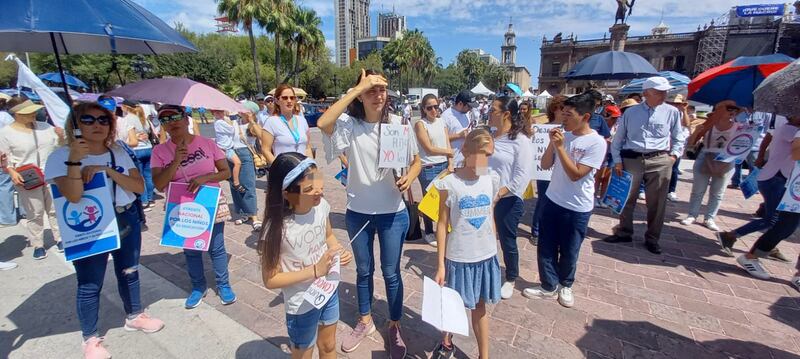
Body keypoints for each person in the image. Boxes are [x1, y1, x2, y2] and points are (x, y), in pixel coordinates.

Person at [45, 102, 164, 359]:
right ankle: (90, 338)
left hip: (125, 217)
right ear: (75, 125)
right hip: (90, 226)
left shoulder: (117, 150)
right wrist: (75, 161)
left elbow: (139, 186)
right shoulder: (59, 156)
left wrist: (107, 171)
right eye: (87, 120)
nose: (97, 125)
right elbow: (73, 196)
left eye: (103, 120)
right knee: (90, 282)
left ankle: (134, 315)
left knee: (129, 270)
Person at [317, 69, 420, 358]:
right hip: (358, 212)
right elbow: (324, 122)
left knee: (391, 273)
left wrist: (411, 176)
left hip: (392, 213)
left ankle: (394, 325)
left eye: (382, 89)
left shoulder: (398, 123)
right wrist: (357, 87)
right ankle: (365, 322)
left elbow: (416, 161)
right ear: (361, 94)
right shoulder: (349, 125)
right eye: (371, 89)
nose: (378, 95)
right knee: (364, 271)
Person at [258, 152, 353, 359]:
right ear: (286, 193)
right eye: (309, 189)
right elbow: (271, 279)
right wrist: (314, 270)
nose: (318, 192)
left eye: (319, 185)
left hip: (328, 290)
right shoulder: (276, 229)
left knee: (328, 345)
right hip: (301, 304)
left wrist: (339, 251)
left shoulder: (321, 208)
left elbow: (328, 235)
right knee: (303, 353)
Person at [523, 92, 606, 308]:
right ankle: (548, 285)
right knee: (546, 245)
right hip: (552, 199)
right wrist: (553, 144)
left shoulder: (596, 143)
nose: (564, 119)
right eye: (563, 114)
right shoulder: (563, 135)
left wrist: (560, 147)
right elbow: (545, 163)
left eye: (569, 115)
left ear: (585, 117)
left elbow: (577, 174)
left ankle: (566, 284)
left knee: (570, 249)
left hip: (577, 206)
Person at [151, 105, 238, 309]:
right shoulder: (159, 151)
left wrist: (204, 178)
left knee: (216, 248)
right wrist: (175, 161)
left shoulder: (207, 144)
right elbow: (158, 183)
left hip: (209, 200)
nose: (171, 123)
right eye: (164, 120)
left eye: (174, 117)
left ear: (185, 119)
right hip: (181, 205)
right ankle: (198, 287)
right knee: (190, 250)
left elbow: (225, 172)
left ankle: (223, 285)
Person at [431, 129, 501, 359]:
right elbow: (442, 224)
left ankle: (484, 355)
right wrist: (440, 264)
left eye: (488, 155)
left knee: (480, 308)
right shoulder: (448, 183)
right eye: (481, 154)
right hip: (459, 256)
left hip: (485, 255)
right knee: (453, 308)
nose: (484, 160)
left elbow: (490, 213)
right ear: (467, 151)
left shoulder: (491, 179)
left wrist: (495, 245)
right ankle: (446, 341)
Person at [605, 77, 685, 254]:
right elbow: (618, 139)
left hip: (660, 160)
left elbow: (679, 137)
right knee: (627, 198)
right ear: (646, 93)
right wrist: (617, 160)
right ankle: (624, 231)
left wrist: (673, 156)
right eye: (659, 92)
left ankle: (652, 238)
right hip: (633, 159)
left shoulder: (672, 112)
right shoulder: (631, 113)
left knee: (657, 203)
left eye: (664, 91)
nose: (664, 95)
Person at [717, 115, 800, 258]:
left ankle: (769, 244)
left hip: (774, 177)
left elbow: (768, 140)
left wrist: (761, 156)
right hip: (776, 178)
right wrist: (760, 156)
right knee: (773, 219)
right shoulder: (790, 130)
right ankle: (731, 236)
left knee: (777, 218)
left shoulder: (784, 128)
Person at [735, 123, 800, 281]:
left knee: (785, 224)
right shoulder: (792, 129)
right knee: (785, 225)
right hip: (791, 184)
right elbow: (796, 153)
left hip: (788, 181)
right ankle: (751, 256)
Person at [0, 97, 62, 259]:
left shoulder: (45, 127)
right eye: (29, 112)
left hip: (51, 174)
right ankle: (38, 244)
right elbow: (5, 159)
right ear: (17, 114)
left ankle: (60, 238)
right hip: (27, 177)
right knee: (35, 212)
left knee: (55, 209)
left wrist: (62, 136)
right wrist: (12, 172)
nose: (34, 114)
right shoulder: (6, 134)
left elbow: (60, 144)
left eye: (34, 111)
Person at [487, 96, 534, 299]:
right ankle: (488, 270)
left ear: (506, 114)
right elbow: (484, 164)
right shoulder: (490, 136)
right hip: (485, 196)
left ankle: (511, 277)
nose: (488, 114)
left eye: (493, 111)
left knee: (507, 240)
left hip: (508, 200)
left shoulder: (521, 141)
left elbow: (522, 177)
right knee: (485, 237)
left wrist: (499, 194)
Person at [679, 101, 740, 232]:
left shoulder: (738, 127)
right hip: (705, 156)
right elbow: (691, 143)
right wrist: (696, 132)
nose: (732, 111)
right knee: (698, 190)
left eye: (734, 109)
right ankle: (692, 215)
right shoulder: (708, 125)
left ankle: (710, 218)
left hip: (726, 160)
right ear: (719, 109)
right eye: (729, 108)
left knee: (718, 192)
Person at [414, 94, 454, 247]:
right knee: (430, 201)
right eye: (429, 107)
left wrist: (450, 162)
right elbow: (428, 149)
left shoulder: (441, 122)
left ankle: (443, 229)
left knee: (445, 201)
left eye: (435, 106)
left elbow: (447, 143)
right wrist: (447, 152)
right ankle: (429, 232)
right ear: (423, 109)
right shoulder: (420, 124)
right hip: (428, 167)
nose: (433, 110)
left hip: (444, 166)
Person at [212, 109, 261, 230]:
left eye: (247, 110)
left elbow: (261, 135)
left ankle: (254, 216)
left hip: (245, 152)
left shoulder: (252, 125)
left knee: (248, 185)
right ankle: (243, 212)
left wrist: (251, 121)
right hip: (231, 152)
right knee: (235, 186)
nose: (243, 112)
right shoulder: (233, 122)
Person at [530, 95, 567, 245]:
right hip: (544, 172)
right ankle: (536, 231)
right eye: (563, 109)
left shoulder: (569, 129)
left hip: (562, 171)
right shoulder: (543, 128)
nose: (565, 112)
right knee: (543, 200)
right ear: (555, 109)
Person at [117, 102, 158, 211]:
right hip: (148, 148)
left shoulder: (127, 119)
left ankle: (144, 201)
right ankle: (150, 199)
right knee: (148, 176)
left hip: (136, 150)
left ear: (125, 107)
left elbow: (131, 138)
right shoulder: (142, 117)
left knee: (139, 177)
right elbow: (150, 131)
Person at [261, 84, 314, 165]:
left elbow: (307, 148)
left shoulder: (302, 120)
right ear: (277, 100)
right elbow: (265, 150)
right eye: (285, 98)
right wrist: (279, 168)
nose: (289, 101)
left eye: (292, 98)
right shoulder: (271, 122)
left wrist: (312, 167)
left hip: (304, 171)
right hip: (284, 172)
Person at [665, 94, 692, 202]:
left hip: (677, 145)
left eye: (678, 103)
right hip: (666, 144)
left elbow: (686, 123)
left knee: (674, 169)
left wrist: (684, 110)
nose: (675, 105)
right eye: (673, 103)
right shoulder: (667, 112)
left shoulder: (681, 113)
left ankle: (671, 190)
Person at [0, 94, 19, 229]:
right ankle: (24, 212)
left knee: (5, 185)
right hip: (10, 152)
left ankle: (8, 217)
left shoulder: (4, 117)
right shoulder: (6, 117)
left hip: (5, 154)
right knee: (16, 183)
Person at [442, 91, 477, 162]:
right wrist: (458, 135)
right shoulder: (446, 116)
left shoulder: (466, 114)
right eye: (469, 106)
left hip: (466, 160)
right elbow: (440, 139)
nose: (470, 109)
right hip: (453, 161)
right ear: (460, 103)